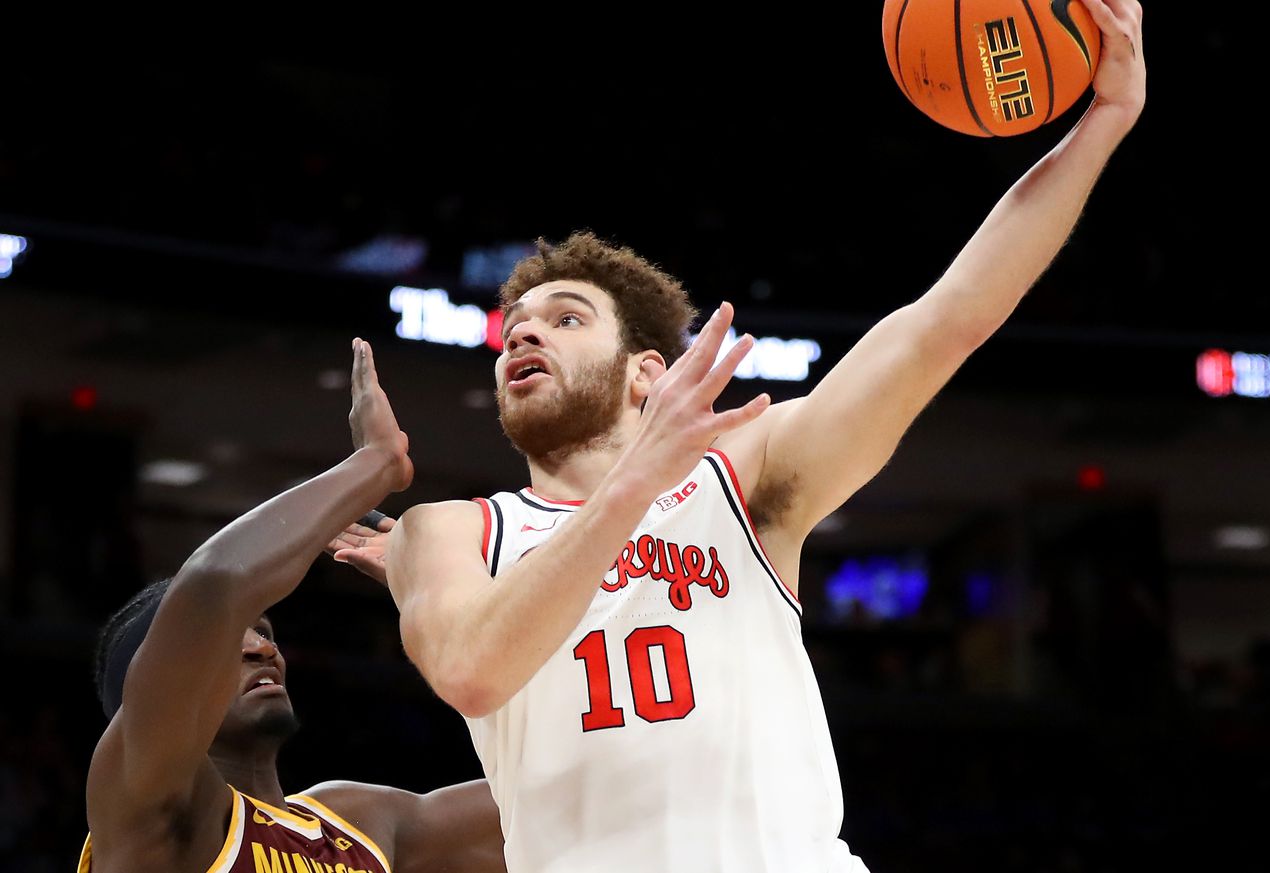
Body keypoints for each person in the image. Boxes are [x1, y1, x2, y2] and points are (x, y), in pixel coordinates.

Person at [335, 4, 1146, 869]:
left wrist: (1101, 126)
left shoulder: (744, 478)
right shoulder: (449, 532)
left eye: (565, 318)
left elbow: (943, 323)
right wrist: (632, 484)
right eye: (516, 327)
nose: (524, 336)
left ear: (646, 372)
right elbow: (472, 671)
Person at [82, 339, 506, 873]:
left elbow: (582, 784)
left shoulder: (363, 823)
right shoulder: (143, 812)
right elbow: (215, 586)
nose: (262, 648)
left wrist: (465, 600)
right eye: (230, 638)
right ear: (151, 686)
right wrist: (376, 463)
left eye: (264, 631)